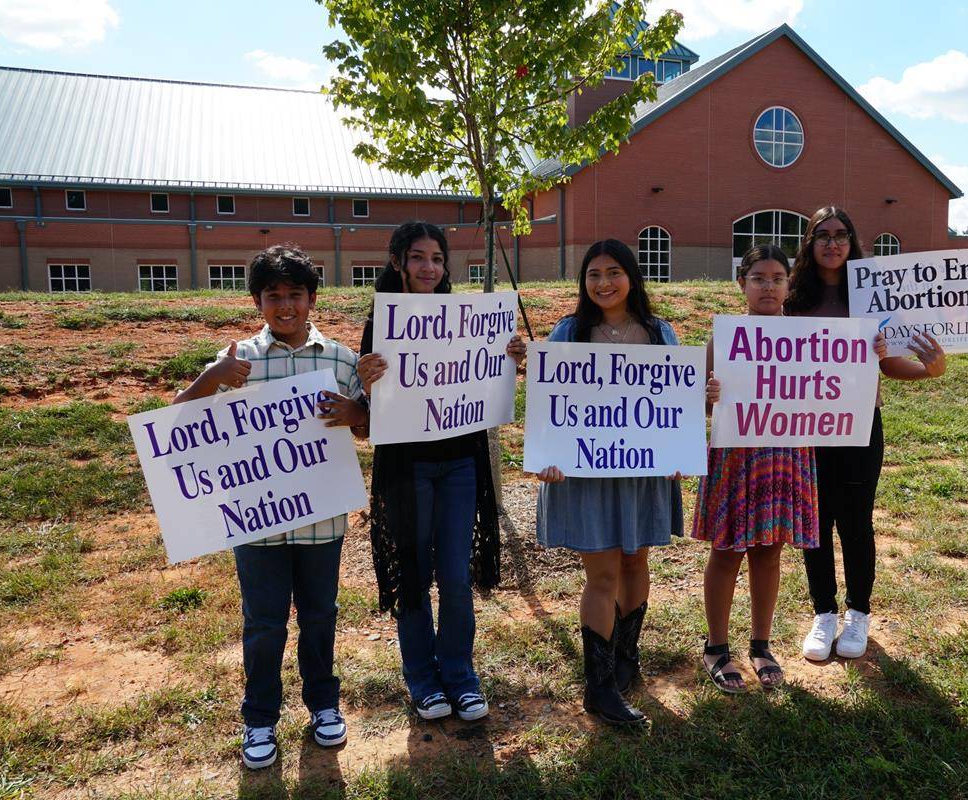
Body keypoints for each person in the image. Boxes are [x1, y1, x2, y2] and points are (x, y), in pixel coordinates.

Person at [174, 243, 368, 769]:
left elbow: (370, 429)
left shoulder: (340, 359)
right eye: (273, 296)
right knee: (263, 623)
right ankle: (259, 718)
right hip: (257, 525)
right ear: (256, 301)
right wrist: (210, 380)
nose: (285, 306)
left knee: (321, 615)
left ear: (312, 299)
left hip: (321, 520)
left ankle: (324, 706)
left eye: (295, 295)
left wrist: (355, 412)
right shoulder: (238, 360)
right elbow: (175, 423)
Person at [355, 220, 525, 723]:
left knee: (454, 575)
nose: (428, 267)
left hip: (459, 463)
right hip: (407, 468)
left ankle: (460, 675)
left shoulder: (467, 318)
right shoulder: (381, 321)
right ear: (397, 263)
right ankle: (422, 679)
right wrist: (366, 381)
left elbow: (484, 381)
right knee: (413, 574)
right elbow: (372, 403)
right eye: (417, 257)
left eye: (436, 258)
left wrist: (511, 357)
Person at [784, 207, 946, 661]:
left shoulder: (873, 298)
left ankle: (857, 612)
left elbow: (891, 365)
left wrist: (930, 370)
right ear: (809, 243)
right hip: (805, 426)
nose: (832, 243)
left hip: (859, 424)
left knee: (855, 521)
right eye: (822, 235)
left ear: (853, 242)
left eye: (841, 235)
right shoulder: (792, 300)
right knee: (813, 523)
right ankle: (823, 613)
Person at [533, 239, 684, 727]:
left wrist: (679, 445)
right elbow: (549, 406)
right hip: (587, 474)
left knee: (636, 561)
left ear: (632, 278)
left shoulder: (662, 335)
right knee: (601, 576)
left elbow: (674, 405)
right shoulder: (568, 333)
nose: (603, 283)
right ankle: (598, 688)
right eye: (593, 274)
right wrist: (549, 457)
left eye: (613, 272)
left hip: (641, 471)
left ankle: (625, 659)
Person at [695, 245, 819, 692]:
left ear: (789, 284)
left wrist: (869, 353)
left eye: (778, 278)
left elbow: (834, 387)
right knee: (726, 551)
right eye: (759, 278)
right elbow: (692, 404)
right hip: (736, 454)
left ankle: (761, 644)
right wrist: (704, 397)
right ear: (741, 284)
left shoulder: (810, 337)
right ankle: (716, 646)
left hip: (786, 455)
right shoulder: (724, 338)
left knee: (770, 549)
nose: (769, 286)